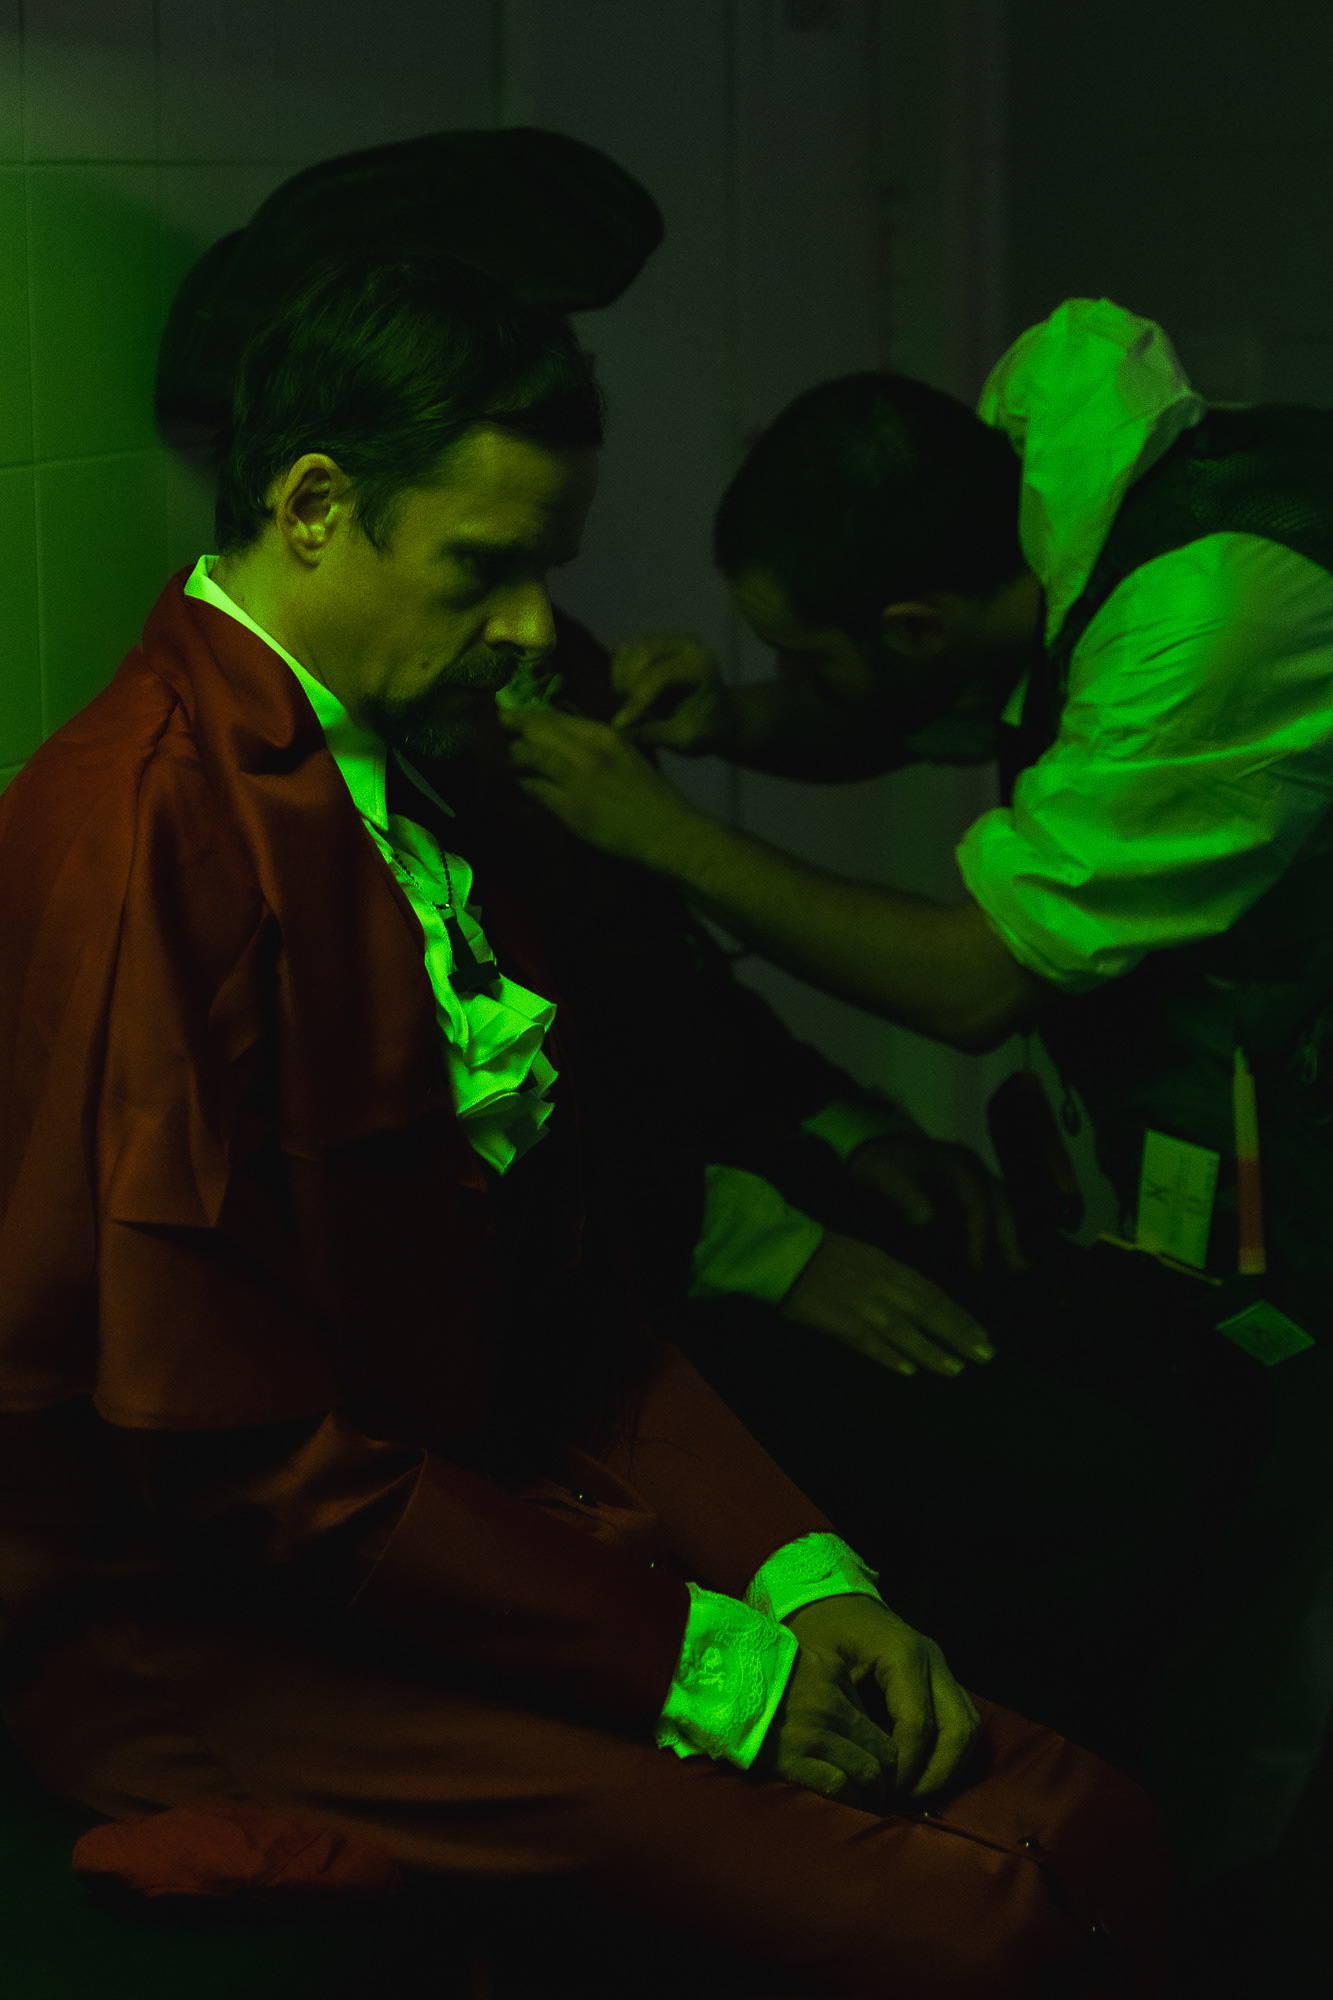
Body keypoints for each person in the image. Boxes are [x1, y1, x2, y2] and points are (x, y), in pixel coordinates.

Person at [0, 249, 1173, 1998]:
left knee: (1080, 1819)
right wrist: (715, 1673)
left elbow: (574, 1304)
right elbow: (225, 1465)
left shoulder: (399, 775)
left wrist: (809, 1582)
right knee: (984, 1903)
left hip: (455, 1532)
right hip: (218, 1637)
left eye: (539, 567)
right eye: (485, 567)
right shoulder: (140, 835)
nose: (536, 628)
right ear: (312, 510)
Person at [498, 296, 1333, 1890]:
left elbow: (972, 983)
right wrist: (740, 724)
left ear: (911, 619)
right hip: (710, 1213)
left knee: (1265, 1537)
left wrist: (662, 830)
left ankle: (1218, 1906)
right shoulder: (1040, 474)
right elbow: (943, 700)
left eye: (806, 658)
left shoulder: (1211, 614)